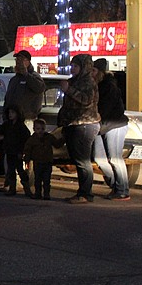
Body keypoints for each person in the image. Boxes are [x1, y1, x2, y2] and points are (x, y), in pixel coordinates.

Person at [58, 54, 100, 204]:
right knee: (77, 159)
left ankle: (86, 193)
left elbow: (86, 100)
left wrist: (69, 90)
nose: (72, 69)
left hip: (84, 125)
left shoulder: (88, 82)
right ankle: (82, 192)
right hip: (72, 124)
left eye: (75, 66)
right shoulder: (74, 81)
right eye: (72, 66)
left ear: (84, 67)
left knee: (83, 160)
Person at [4, 49, 46, 190]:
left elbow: (40, 88)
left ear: (28, 62)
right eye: (16, 60)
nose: (18, 63)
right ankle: (10, 182)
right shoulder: (14, 80)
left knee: (25, 152)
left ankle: (27, 181)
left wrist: (26, 74)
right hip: (12, 122)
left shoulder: (34, 77)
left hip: (27, 120)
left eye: (21, 60)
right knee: (10, 153)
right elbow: (8, 99)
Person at [92, 58, 131, 201]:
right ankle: (117, 185)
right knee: (99, 158)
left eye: (94, 71)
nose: (92, 73)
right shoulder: (98, 85)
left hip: (114, 125)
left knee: (115, 158)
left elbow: (106, 109)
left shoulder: (109, 86)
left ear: (101, 72)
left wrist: (96, 117)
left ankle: (122, 190)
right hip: (103, 127)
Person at [0, 106, 31, 197]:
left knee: (21, 170)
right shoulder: (7, 125)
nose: (10, 115)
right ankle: (12, 188)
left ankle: (27, 190)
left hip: (17, 152)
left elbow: (26, 137)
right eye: (9, 113)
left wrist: (22, 151)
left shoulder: (20, 126)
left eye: (12, 113)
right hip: (9, 151)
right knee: (11, 171)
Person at [23, 118, 61, 200]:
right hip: (37, 162)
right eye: (38, 129)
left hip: (47, 162)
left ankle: (46, 194)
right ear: (34, 129)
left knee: (47, 180)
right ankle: (38, 193)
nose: (40, 131)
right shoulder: (32, 139)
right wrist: (27, 160)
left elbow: (57, 144)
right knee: (38, 179)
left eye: (42, 129)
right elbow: (27, 150)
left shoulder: (49, 137)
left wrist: (64, 138)